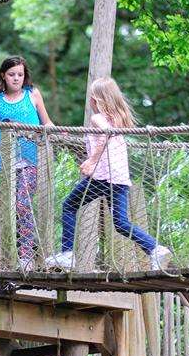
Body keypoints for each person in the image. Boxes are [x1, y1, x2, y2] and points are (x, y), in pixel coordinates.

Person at [44, 77, 171, 271]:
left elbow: (105, 134)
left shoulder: (98, 119)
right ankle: (155, 248)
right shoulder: (118, 119)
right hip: (119, 179)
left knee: (69, 206)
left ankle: (68, 254)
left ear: (95, 99)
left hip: (102, 178)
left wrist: (92, 161)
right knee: (120, 223)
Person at [0, 56, 54, 270]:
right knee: (11, 207)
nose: (16, 78)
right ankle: (12, 254)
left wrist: (61, 132)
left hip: (31, 157)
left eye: (20, 75)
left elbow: (46, 122)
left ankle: (26, 256)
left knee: (23, 204)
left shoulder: (33, 94)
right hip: (7, 159)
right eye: (12, 74)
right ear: (3, 75)